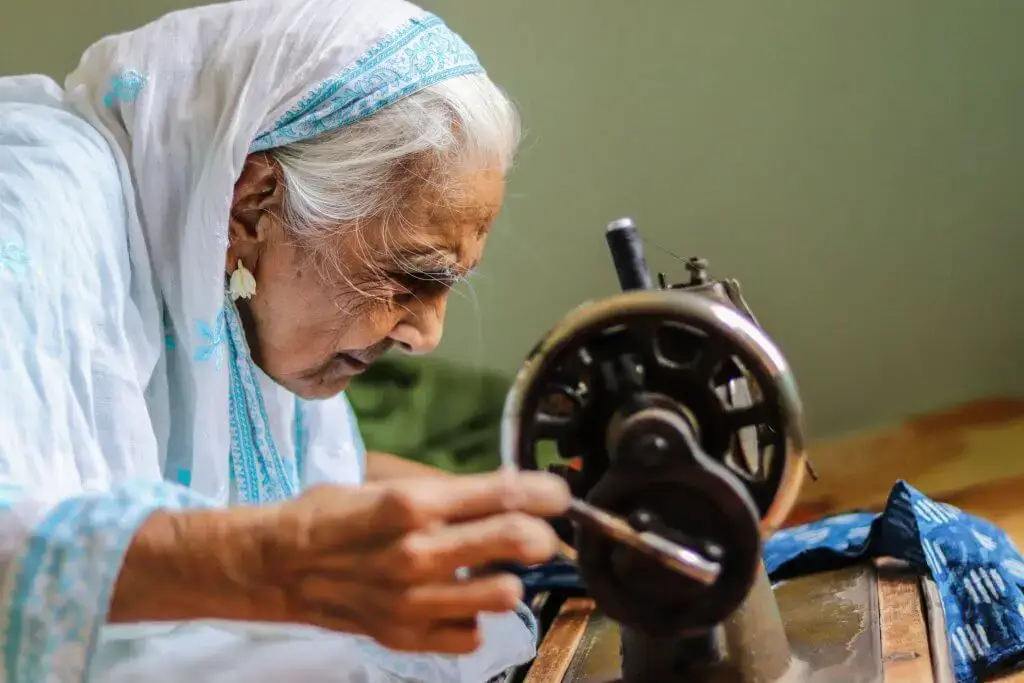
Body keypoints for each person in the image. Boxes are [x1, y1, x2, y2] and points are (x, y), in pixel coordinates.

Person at [0, 0, 571, 681]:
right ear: (255, 201)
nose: (427, 336)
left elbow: (279, 480)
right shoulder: (30, 209)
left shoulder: (211, 235)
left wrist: (518, 511)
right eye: (408, 278)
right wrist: (264, 561)